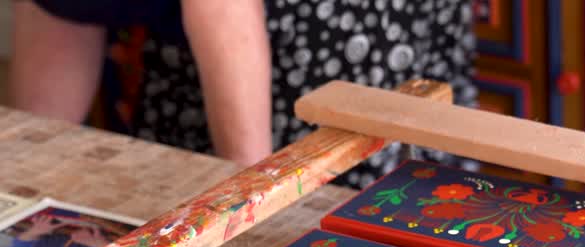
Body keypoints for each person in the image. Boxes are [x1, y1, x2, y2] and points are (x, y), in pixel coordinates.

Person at [10, 1, 476, 186]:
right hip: (199, 39)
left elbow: (223, 11)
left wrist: (247, 209)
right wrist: (23, 185)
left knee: (322, 224)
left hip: (330, 27)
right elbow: (62, 10)